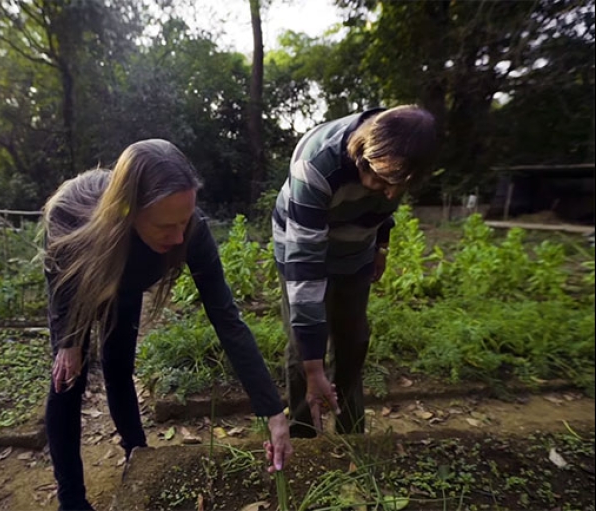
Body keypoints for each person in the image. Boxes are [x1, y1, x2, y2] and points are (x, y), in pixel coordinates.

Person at [41, 139, 293, 511]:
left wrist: (273, 411)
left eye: (184, 221)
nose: (179, 238)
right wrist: (69, 341)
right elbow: (59, 278)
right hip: (80, 279)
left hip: (126, 283)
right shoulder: (71, 214)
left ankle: (137, 455)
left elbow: (227, 319)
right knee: (67, 381)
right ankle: (71, 500)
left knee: (119, 367)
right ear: (127, 211)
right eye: (165, 226)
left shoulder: (191, 230)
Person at [272, 105, 438, 438]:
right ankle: (304, 435)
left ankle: (351, 432)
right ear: (362, 155)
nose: (390, 193)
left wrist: (381, 246)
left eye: (399, 187)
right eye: (382, 181)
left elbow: (384, 210)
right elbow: (305, 269)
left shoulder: (400, 158)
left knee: (354, 341)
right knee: (304, 347)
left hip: (356, 252)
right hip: (301, 248)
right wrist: (315, 365)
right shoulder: (316, 163)